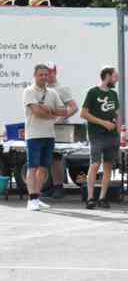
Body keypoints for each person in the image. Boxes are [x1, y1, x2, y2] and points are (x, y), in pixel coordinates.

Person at [23, 64, 67, 211]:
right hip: (34, 135)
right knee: (32, 167)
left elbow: (63, 111)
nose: (43, 77)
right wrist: (51, 113)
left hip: (49, 135)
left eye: (46, 75)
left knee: (43, 169)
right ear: (35, 76)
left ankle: (37, 196)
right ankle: (31, 200)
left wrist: (49, 110)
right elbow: (36, 112)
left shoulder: (53, 93)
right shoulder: (29, 91)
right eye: (40, 74)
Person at [80, 66, 121, 209]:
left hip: (112, 136)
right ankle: (90, 197)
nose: (117, 79)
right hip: (96, 135)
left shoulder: (113, 94)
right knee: (95, 164)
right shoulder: (93, 92)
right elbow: (83, 114)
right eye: (115, 76)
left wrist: (119, 133)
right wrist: (103, 123)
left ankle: (103, 197)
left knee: (108, 166)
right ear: (107, 76)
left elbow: (116, 114)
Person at [44, 62, 78, 199]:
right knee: (49, 158)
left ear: (55, 72)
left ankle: (59, 187)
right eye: (46, 73)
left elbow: (74, 107)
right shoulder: (41, 89)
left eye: (51, 72)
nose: (49, 75)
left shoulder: (62, 88)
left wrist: (60, 118)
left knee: (56, 158)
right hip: (44, 128)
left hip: (59, 130)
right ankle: (52, 186)